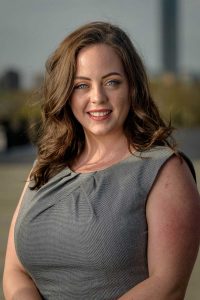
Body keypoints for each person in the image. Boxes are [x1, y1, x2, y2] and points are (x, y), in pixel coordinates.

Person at [3, 21, 200, 300]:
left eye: (111, 82)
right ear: (66, 95)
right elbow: (15, 270)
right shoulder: (46, 164)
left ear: (132, 87)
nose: (98, 97)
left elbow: (167, 287)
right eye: (82, 85)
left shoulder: (166, 170)